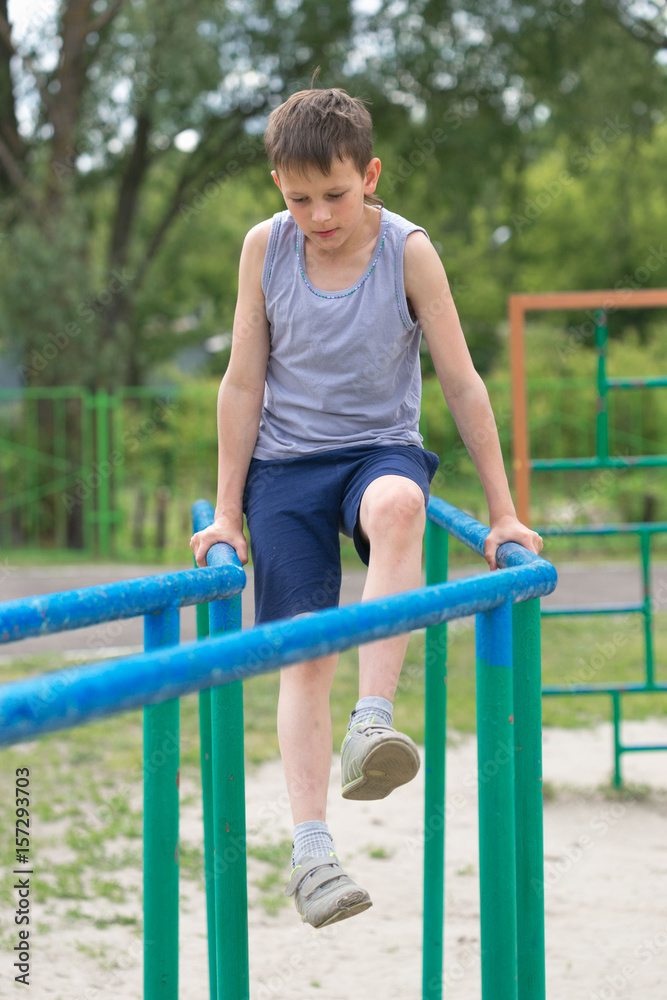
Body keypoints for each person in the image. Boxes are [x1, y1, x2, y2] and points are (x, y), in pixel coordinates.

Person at [190, 83, 543, 929]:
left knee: (398, 508)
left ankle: (373, 722)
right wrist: (229, 514)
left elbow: (459, 380)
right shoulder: (263, 250)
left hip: (376, 449)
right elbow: (242, 382)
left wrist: (503, 513)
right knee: (302, 652)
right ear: (278, 184)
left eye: (336, 195)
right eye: (298, 196)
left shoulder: (407, 252)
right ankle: (312, 853)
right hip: (283, 469)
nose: (318, 215)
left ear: (370, 175)